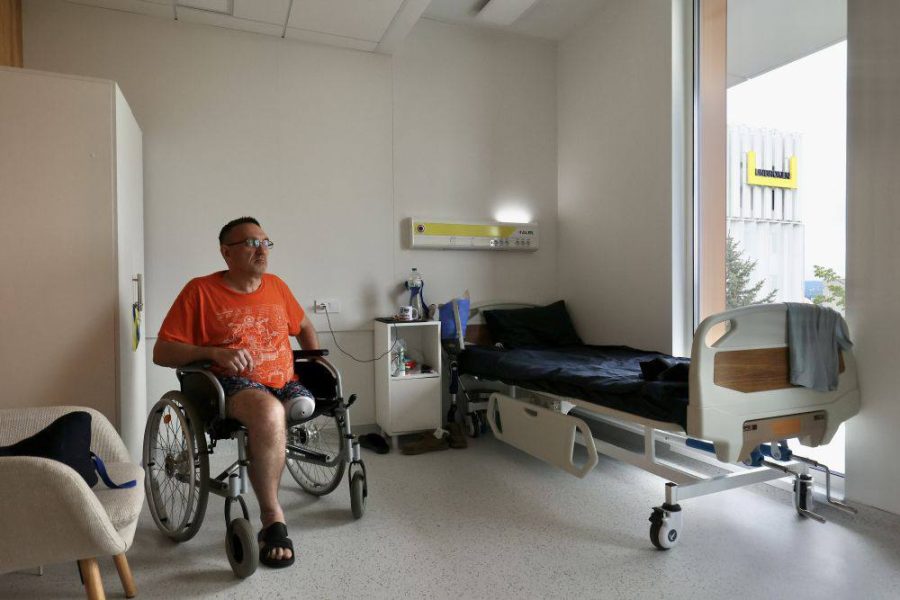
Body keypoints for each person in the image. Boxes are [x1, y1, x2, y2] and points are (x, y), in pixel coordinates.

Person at [154, 216, 319, 569]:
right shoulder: (200, 291)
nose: (262, 250)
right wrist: (214, 353)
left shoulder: (276, 286)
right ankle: (273, 519)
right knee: (269, 413)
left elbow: (304, 325)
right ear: (226, 253)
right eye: (251, 243)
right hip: (232, 383)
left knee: (304, 404)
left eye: (265, 242)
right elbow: (162, 351)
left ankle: (271, 446)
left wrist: (314, 360)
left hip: (283, 380)